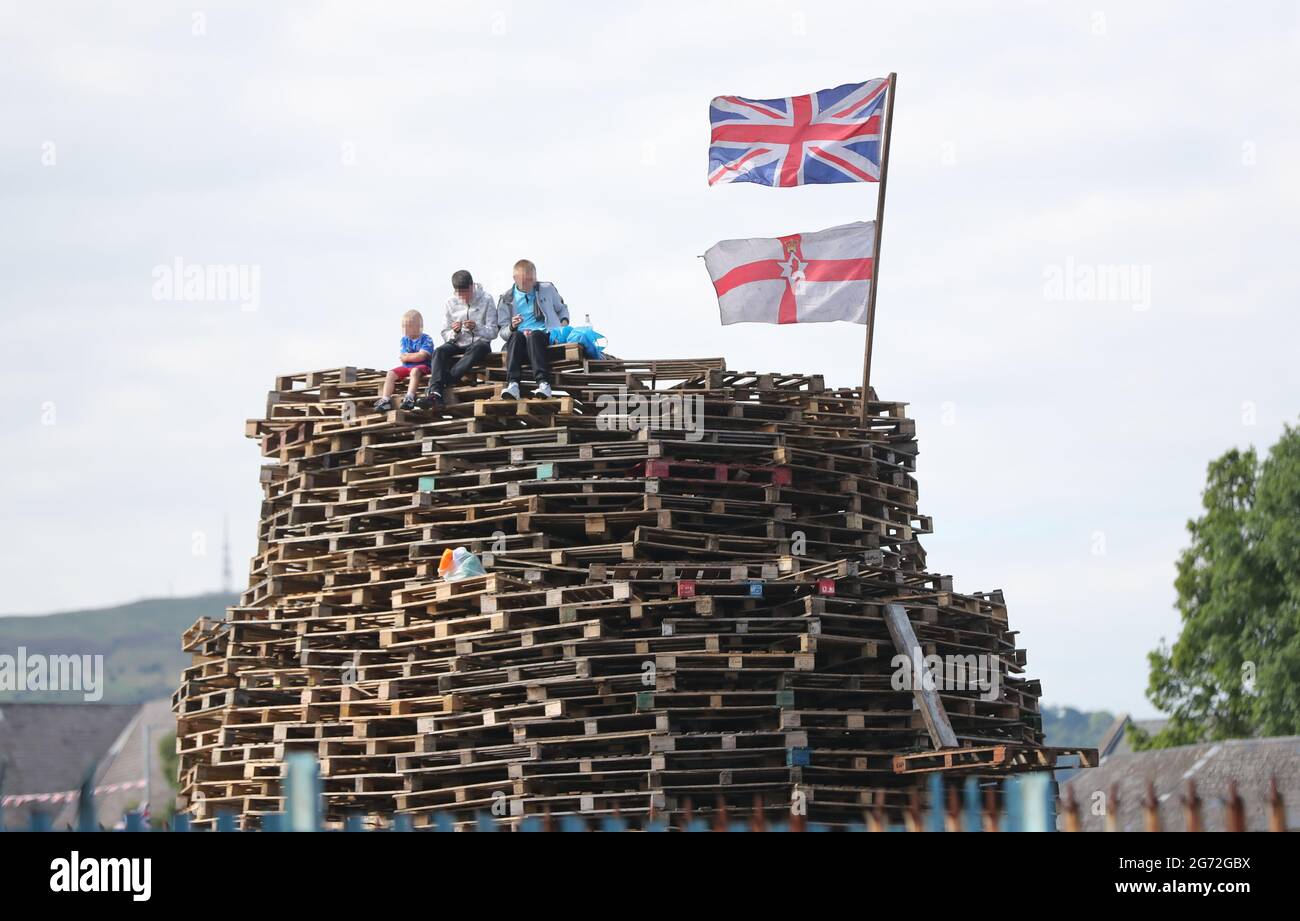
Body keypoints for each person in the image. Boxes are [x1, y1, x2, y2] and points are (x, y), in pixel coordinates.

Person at [420, 269, 497, 409]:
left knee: (480, 347)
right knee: (439, 351)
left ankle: (446, 381)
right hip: (458, 342)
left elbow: (493, 332)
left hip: (479, 343)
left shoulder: (487, 299)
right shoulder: (449, 303)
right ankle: (435, 391)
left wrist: (477, 327)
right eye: (460, 294)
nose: (464, 297)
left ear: (472, 286)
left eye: (466, 293)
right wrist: (454, 332)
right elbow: (445, 333)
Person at [497, 259, 570, 400]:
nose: (530, 284)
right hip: (520, 344)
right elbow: (503, 332)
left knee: (535, 335)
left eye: (532, 279)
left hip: (545, 337)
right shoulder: (506, 299)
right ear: (515, 279)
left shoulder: (547, 289)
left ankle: (544, 384)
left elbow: (562, 309)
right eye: (525, 281)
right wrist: (512, 326)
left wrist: (563, 323)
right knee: (516, 336)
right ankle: (513, 384)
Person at [374, 309, 434, 412]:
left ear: (418, 327)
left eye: (408, 326)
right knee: (390, 373)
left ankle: (409, 397)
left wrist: (410, 357)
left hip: (423, 366)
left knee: (415, 371)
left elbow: (422, 356)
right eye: (403, 326)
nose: (405, 329)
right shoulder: (404, 340)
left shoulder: (427, 339)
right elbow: (403, 357)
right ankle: (386, 399)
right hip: (407, 366)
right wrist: (414, 356)